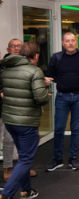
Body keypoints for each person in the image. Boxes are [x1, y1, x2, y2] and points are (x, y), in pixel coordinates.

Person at [0, 42, 50, 199]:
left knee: (23, 156)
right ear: (35, 55)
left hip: (10, 120)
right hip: (26, 121)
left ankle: (26, 191)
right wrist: (45, 87)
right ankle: (6, 197)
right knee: (26, 159)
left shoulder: (7, 69)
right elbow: (40, 98)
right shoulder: (34, 71)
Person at [44, 32, 79, 172]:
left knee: (75, 129)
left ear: (76, 42)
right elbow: (50, 74)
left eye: (73, 40)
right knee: (59, 128)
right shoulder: (56, 57)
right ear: (63, 43)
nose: (70, 43)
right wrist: (60, 81)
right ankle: (57, 159)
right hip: (62, 97)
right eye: (67, 41)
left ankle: (73, 158)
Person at [1, 39, 38, 182]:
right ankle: (9, 170)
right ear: (7, 48)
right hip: (8, 108)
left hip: (15, 110)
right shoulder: (6, 65)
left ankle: (22, 171)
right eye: (13, 46)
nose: (16, 48)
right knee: (7, 140)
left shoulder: (28, 68)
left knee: (14, 140)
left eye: (19, 46)